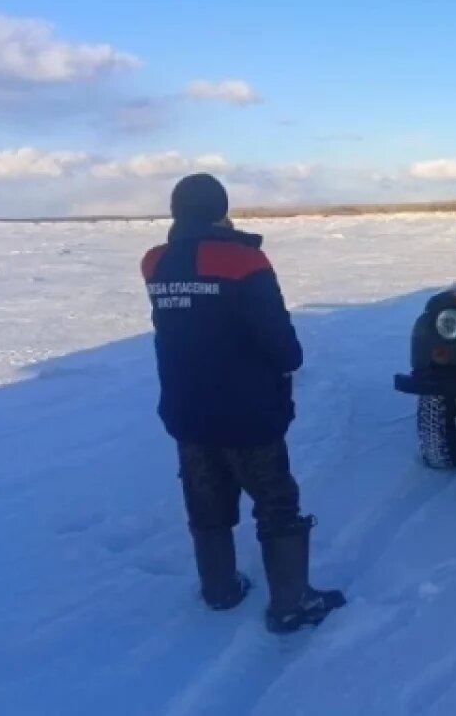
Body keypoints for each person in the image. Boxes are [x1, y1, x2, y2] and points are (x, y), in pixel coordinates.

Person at [140, 172, 345, 634]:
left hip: (187, 410)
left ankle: (220, 589)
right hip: (247, 413)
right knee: (276, 502)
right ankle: (290, 604)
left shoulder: (155, 262)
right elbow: (280, 343)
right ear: (221, 210)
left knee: (205, 500)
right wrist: (290, 360)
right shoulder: (244, 260)